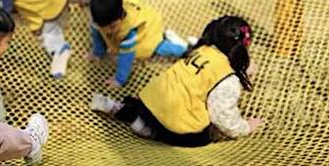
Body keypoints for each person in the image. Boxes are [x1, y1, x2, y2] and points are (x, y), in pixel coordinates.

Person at [90, 15, 264, 147]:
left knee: (167, 102)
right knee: (200, 137)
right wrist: (245, 126)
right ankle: (148, 130)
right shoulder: (228, 79)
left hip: (148, 101)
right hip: (174, 124)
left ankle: (127, 111)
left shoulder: (202, 49)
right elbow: (222, 116)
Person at [88, 0, 194, 87]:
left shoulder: (128, 29)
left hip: (148, 29)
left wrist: (119, 79)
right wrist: (98, 53)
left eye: (113, 26)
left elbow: (126, 57)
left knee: (158, 48)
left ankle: (187, 51)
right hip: (134, 18)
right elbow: (98, 34)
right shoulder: (100, 21)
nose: (108, 31)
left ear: (122, 17)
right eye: (104, 27)